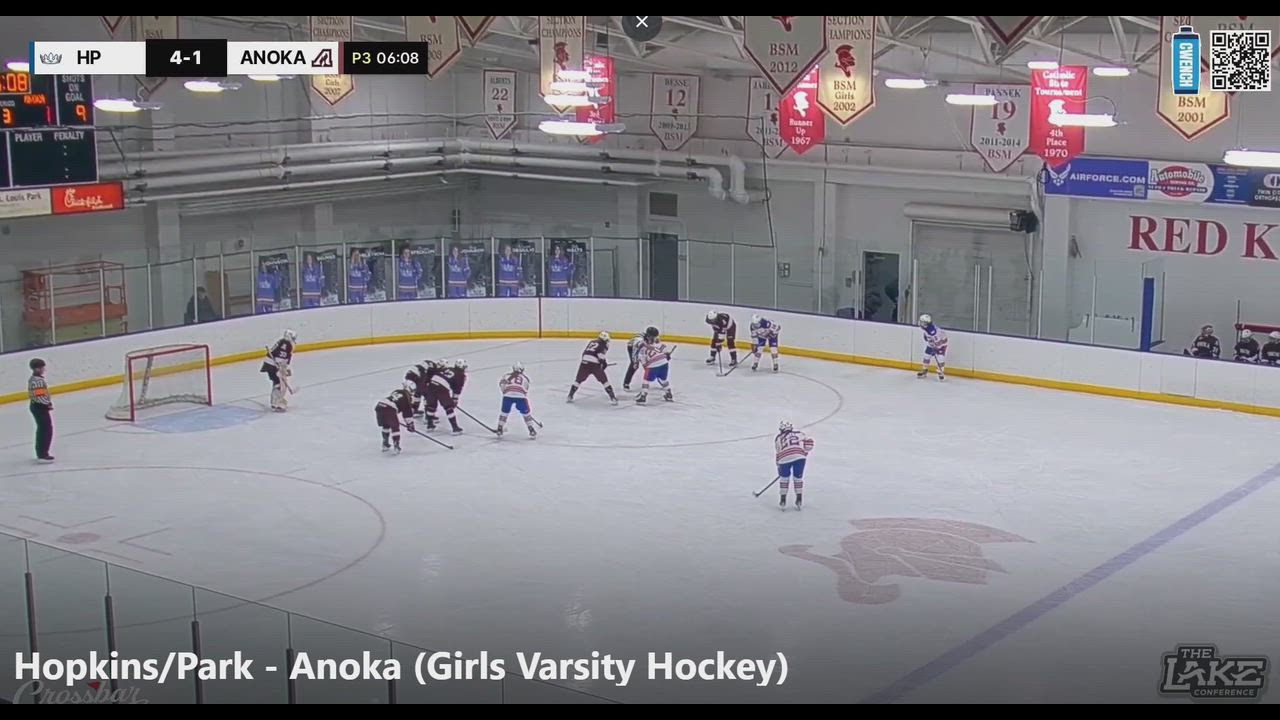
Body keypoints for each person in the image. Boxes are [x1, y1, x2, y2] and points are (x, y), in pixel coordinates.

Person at [568, 332, 619, 404]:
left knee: (578, 380)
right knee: (604, 381)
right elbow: (600, 356)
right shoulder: (603, 344)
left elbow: (584, 353)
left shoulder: (592, 342)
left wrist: (585, 362)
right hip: (594, 365)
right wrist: (603, 363)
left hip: (584, 363)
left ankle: (570, 395)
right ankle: (613, 398)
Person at [775, 421, 814, 511]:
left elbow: (778, 453)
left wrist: (779, 468)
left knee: (784, 479)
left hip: (784, 458)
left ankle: (783, 500)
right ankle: (799, 499)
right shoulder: (800, 434)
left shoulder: (778, 438)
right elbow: (810, 444)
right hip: (800, 458)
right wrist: (804, 452)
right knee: (798, 478)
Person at [496, 362, 539, 439]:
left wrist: (506, 393)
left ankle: (500, 428)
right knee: (526, 414)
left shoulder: (506, 376)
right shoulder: (525, 378)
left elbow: (502, 385)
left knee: (504, 413)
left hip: (507, 396)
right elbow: (525, 390)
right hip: (520, 397)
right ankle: (531, 430)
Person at [425, 359, 465, 433]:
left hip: (432, 384)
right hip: (442, 387)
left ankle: (429, 424)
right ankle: (455, 427)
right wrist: (455, 399)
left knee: (431, 405)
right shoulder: (461, 375)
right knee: (448, 407)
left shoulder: (448, 368)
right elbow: (457, 388)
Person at [375, 381, 417, 453]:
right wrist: (410, 424)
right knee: (395, 427)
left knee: (386, 425)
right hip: (389, 408)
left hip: (380, 405)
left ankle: (385, 443)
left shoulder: (397, 391)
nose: (413, 392)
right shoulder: (407, 397)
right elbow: (407, 413)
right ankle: (396, 445)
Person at [261, 329, 296, 411]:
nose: (294, 340)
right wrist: (280, 368)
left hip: (270, 364)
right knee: (280, 384)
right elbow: (280, 357)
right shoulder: (286, 344)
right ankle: (278, 404)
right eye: (293, 338)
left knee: (277, 383)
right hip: (273, 365)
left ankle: (274, 402)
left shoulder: (283, 342)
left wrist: (285, 368)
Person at [636, 331, 674, 404]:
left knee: (646, 381)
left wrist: (647, 368)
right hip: (664, 364)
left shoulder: (642, 349)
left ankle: (643, 396)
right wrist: (668, 356)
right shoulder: (662, 345)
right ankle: (669, 394)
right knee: (663, 379)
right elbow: (667, 355)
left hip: (652, 365)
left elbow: (644, 362)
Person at [28, 358, 54, 463]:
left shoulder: (34, 379)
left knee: (44, 429)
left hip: (37, 406)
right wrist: (47, 404)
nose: (44, 369)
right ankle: (43, 454)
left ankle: (42, 453)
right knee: (45, 430)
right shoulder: (38, 381)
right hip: (39, 407)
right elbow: (40, 396)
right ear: (37, 369)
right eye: (42, 367)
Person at [917, 313, 948, 380]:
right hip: (932, 343)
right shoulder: (927, 328)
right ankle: (924, 370)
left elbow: (938, 341)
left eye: (922, 322)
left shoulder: (933, 331)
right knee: (927, 355)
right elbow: (928, 335)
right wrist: (926, 337)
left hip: (941, 344)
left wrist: (936, 349)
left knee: (940, 358)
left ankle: (940, 372)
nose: (920, 323)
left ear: (925, 323)